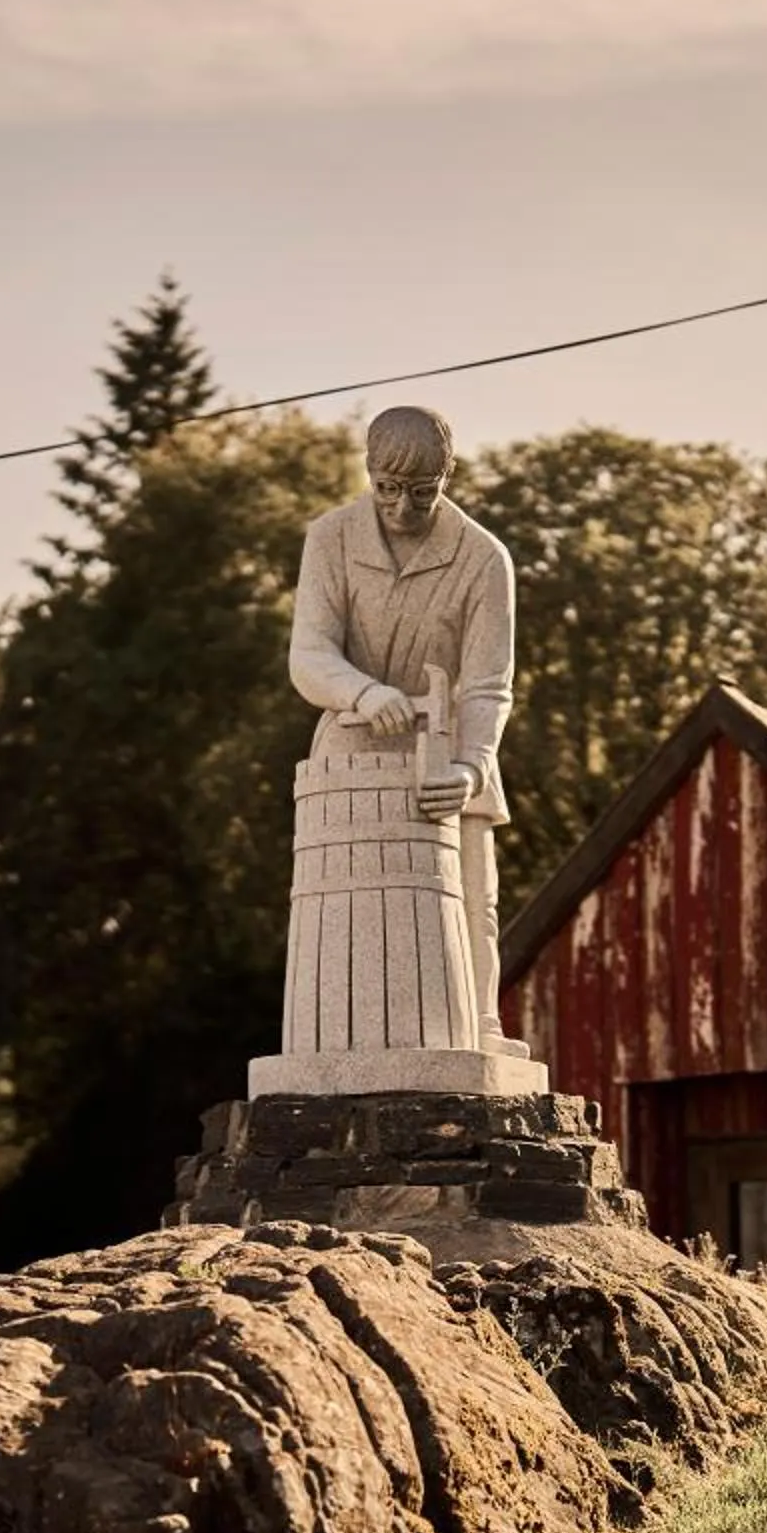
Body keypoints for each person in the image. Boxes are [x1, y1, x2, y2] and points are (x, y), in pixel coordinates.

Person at [287, 404, 525, 1053]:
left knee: (473, 900)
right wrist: (362, 693)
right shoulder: (330, 539)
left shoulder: (483, 559)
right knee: (341, 897)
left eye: (420, 493)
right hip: (350, 747)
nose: (399, 508)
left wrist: (470, 767)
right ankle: (335, 1030)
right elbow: (308, 655)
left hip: (451, 750)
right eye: (387, 490)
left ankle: (477, 1024)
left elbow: (487, 684)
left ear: (446, 476)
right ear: (368, 474)